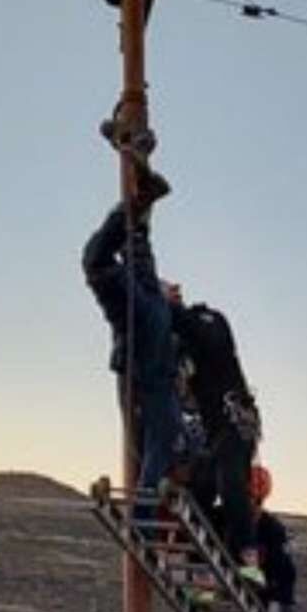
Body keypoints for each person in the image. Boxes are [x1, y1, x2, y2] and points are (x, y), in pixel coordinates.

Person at [81, 128, 183, 496]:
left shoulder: (167, 397)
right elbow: (160, 442)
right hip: (143, 327)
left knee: (118, 251)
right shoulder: (167, 399)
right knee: (106, 257)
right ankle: (141, 181)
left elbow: (160, 440)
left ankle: (141, 181)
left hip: (144, 322)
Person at [170, 291, 266, 587]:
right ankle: (202, 570)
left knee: (230, 485)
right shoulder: (192, 343)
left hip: (235, 423)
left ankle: (248, 562)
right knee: (200, 488)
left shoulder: (206, 323)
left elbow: (203, 334)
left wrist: (169, 306)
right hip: (222, 431)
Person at [250, 465, 303, 612]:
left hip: (262, 593)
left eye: (253, 499)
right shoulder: (222, 519)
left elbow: (285, 571)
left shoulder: (272, 529)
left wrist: (281, 601)